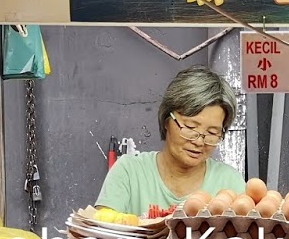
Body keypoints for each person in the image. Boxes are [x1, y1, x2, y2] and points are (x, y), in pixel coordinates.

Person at [95, 66, 244, 217]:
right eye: (190, 127)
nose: (199, 142)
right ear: (166, 120)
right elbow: (102, 231)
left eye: (212, 133)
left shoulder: (229, 181)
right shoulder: (129, 172)